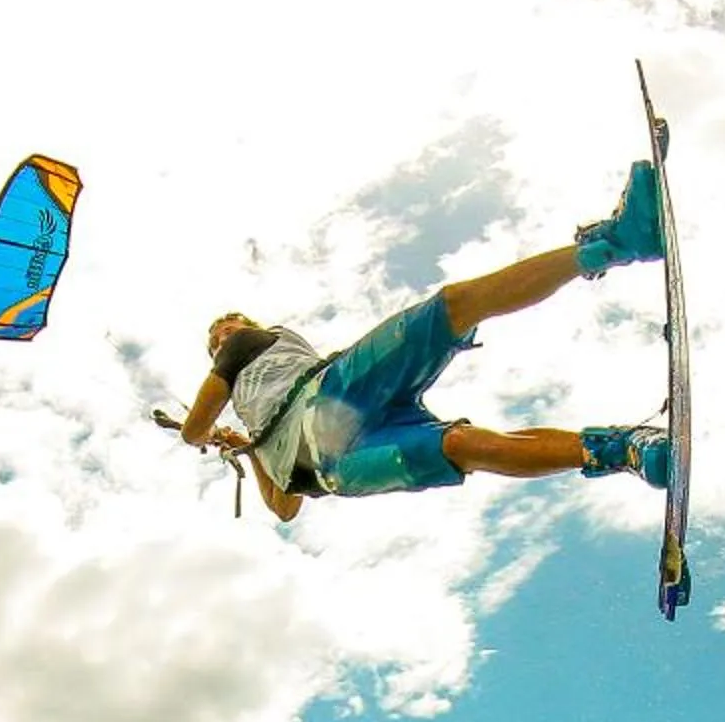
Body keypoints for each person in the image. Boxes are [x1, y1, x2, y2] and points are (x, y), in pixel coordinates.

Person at [177, 161, 674, 522]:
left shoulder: (248, 345)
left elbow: (192, 429)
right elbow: (284, 505)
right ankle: (625, 452)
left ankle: (618, 242)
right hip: (327, 464)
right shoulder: (253, 419)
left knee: (454, 308)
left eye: (228, 323)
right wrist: (248, 448)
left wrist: (202, 434)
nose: (223, 332)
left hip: (328, 397)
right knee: (463, 445)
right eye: (215, 334)